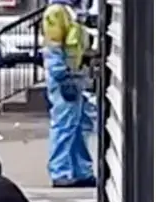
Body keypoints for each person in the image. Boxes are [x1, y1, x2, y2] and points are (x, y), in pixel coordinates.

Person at [42, 0, 96, 188]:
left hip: (74, 76)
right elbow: (53, 48)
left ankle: (80, 170)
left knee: (79, 125)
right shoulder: (57, 12)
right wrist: (61, 74)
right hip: (65, 78)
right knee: (65, 125)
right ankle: (61, 171)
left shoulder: (71, 12)